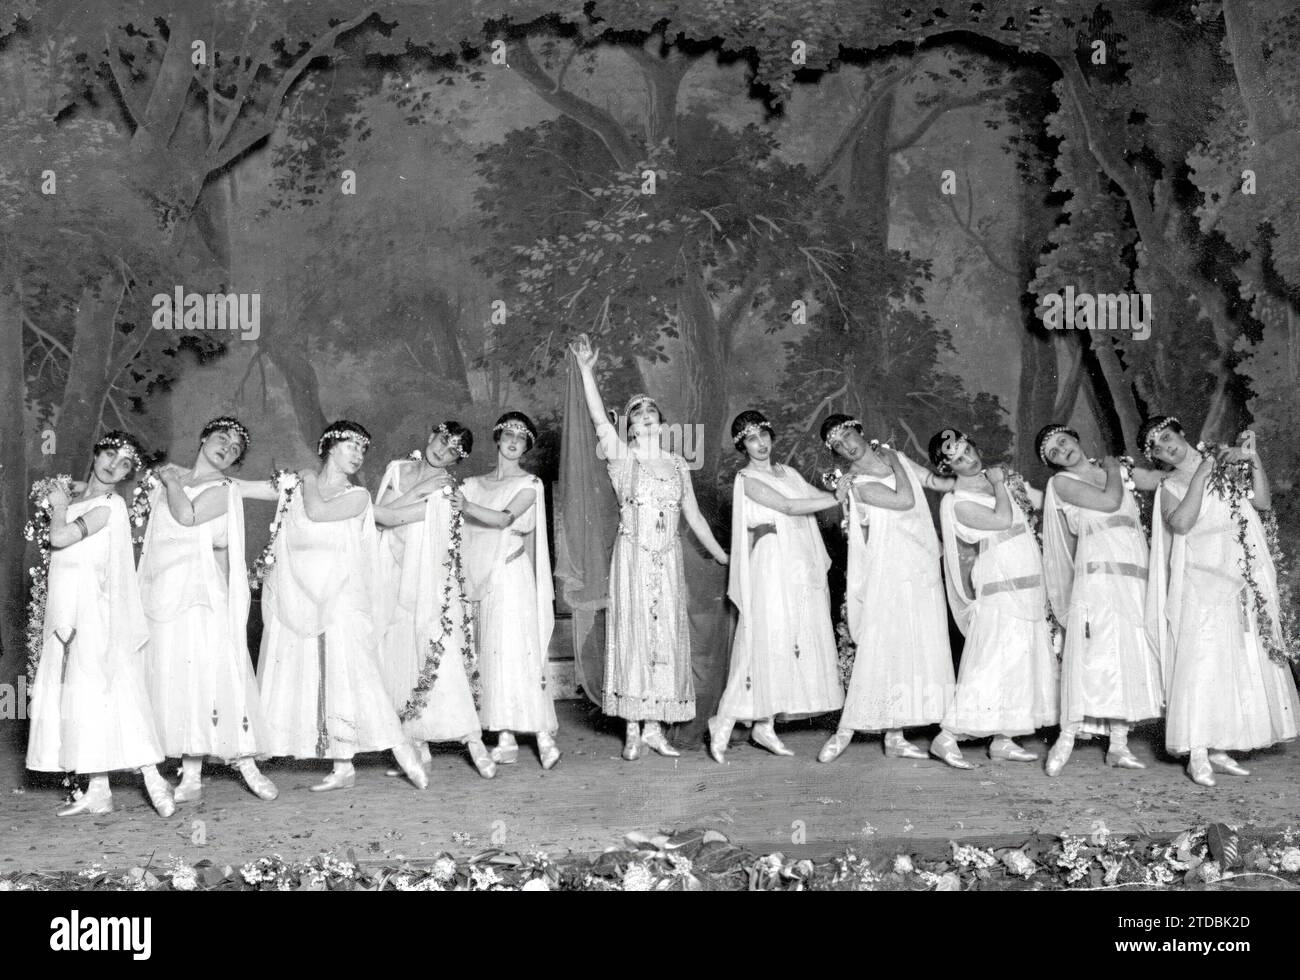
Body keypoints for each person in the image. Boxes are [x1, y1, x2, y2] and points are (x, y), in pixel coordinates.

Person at [569, 334, 728, 761]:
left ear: (662, 422)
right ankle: (633, 730)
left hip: (668, 556)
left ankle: (656, 727)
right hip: (634, 555)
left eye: (653, 416)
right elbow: (599, 419)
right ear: (631, 427)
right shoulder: (623, 458)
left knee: (664, 636)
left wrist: (722, 554)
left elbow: (693, 516)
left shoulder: (677, 463)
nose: (647, 422)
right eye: (639, 418)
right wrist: (587, 371)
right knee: (634, 633)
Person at [257, 421, 428, 792]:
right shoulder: (297, 487)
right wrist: (194, 482)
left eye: (362, 450)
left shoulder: (358, 496)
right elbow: (244, 489)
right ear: (329, 446)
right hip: (302, 596)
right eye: (351, 446)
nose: (358, 455)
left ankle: (405, 756)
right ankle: (343, 767)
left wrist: (303, 477)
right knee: (320, 675)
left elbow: (317, 512)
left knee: (356, 675)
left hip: (343, 599)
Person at [1142, 416, 1298, 786]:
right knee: (1202, 662)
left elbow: (1260, 501)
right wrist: (1201, 474)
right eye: (1158, 449)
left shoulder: (1226, 466)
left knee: (1236, 660)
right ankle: (1198, 751)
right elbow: (1181, 523)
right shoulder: (1169, 485)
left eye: (1168, 438)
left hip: (1238, 574)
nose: (1167, 448)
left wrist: (1252, 457)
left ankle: (1221, 746)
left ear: (1181, 433)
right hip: (1201, 580)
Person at [26, 431, 176, 817]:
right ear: (96, 453)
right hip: (65, 611)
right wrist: (66, 497)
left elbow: (60, 537)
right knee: (81, 697)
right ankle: (98, 789)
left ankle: (155, 781)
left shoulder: (110, 505)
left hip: (97, 612)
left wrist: (59, 504)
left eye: (125, 463)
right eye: (110, 454)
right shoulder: (81, 499)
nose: (114, 465)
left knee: (112, 692)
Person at [138, 417, 279, 802]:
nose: (227, 449)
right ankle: (191, 776)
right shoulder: (174, 480)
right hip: (162, 593)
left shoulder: (222, 488)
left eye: (235, 449)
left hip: (201, 593)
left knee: (212, 675)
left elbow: (187, 516)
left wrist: (170, 481)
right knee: (179, 680)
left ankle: (247, 762)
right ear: (202, 438)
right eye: (222, 440)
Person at [816, 415, 957, 764]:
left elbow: (933, 483)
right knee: (883, 644)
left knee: (913, 643)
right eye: (838, 445)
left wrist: (972, 480)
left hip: (920, 564)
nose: (847, 445)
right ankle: (845, 730)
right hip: (887, 568)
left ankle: (895, 736)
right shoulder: (859, 483)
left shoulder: (893, 455)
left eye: (848, 435)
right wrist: (895, 461)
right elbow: (905, 499)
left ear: (859, 431)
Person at [708, 411, 843, 763]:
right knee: (763, 638)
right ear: (742, 446)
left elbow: (814, 494)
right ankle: (722, 721)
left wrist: (846, 486)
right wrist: (838, 497)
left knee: (787, 638)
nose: (761, 443)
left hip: (797, 561)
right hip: (770, 562)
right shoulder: (747, 479)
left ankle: (764, 726)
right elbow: (788, 505)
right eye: (752, 439)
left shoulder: (789, 472)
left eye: (764, 435)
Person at [1036, 424, 1163, 775]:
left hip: (1134, 575)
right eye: (1054, 454)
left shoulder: (1118, 470)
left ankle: (1118, 746)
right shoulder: (1061, 484)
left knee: (1127, 653)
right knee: (1093, 655)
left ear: (1075, 438)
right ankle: (1066, 739)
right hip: (1097, 579)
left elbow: (1162, 481)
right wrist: (1112, 469)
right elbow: (1109, 501)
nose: (1063, 452)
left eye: (1063, 442)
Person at [927, 428, 1058, 768]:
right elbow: (1001, 520)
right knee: (990, 664)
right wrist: (1000, 484)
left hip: (1027, 582)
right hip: (999, 586)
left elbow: (1041, 504)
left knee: (1020, 663)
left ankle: (1004, 738)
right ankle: (947, 737)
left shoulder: (999, 482)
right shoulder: (957, 502)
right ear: (948, 468)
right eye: (956, 459)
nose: (967, 458)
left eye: (967, 449)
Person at [374, 421, 496, 778]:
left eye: (453, 451)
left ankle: (474, 741)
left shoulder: (445, 487)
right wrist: (412, 492)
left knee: (437, 648)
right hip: (391, 571)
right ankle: (416, 744)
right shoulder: (396, 469)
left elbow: (392, 514)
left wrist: (421, 491)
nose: (443, 451)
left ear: (457, 460)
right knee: (400, 651)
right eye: (443, 441)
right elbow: (381, 521)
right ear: (432, 436)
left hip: (426, 577)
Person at [454, 412, 560, 770]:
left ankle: (543, 736)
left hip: (512, 572)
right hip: (481, 576)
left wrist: (465, 506)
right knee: (492, 653)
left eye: (522, 437)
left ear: (526, 446)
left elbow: (502, 518)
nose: (514, 440)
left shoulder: (530, 484)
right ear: (497, 439)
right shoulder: (472, 483)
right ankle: (505, 738)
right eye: (509, 434)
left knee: (519, 652)